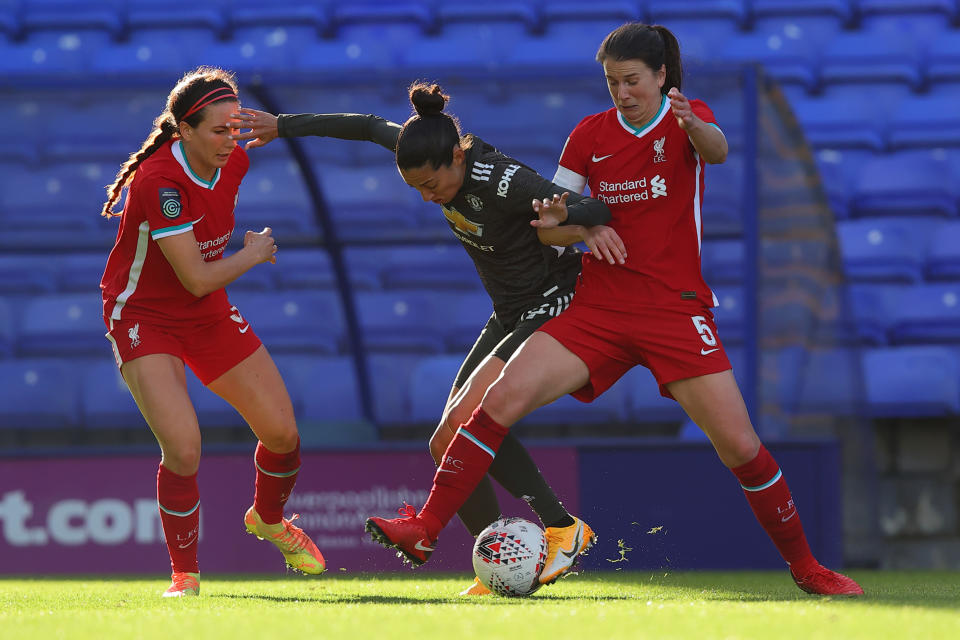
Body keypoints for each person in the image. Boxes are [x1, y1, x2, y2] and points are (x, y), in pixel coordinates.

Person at [361, 24, 865, 596]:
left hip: (673, 310)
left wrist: (695, 124)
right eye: (611, 81)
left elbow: (717, 151)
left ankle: (806, 568)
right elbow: (554, 231)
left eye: (631, 80)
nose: (622, 92)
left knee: (741, 448)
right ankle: (426, 527)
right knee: (498, 401)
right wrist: (563, 225)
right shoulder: (587, 135)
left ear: (660, 77)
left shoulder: (685, 118)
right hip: (597, 306)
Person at [230, 82, 626, 594]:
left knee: (469, 420)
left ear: (457, 158)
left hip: (550, 299)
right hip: (508, 310)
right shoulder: (424, 146)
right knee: (445, 443)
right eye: (415, 187)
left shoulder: (505, 181)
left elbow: (595, 208)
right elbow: (368, 127)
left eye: (432, 185)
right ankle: (495, 564)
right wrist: (284, 125)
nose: (426, 196)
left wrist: (577, 220)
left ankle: (563, 528)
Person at [99, 66, 326, 598]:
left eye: (234, 128)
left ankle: (268, 520)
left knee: (284, 436)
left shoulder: (237, 160)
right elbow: (196, 276)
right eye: (218, 131)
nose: (232, 140)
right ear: (184, 131)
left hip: (205, 313)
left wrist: (236, 249)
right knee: (183, 450)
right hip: (143, 316)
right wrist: (251, 253)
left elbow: (202, 278)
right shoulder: (159, 181)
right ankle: (185, 577)